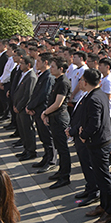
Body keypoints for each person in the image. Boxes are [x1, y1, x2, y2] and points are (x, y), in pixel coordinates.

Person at [77, 69, 111, 223]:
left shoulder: (94, 97)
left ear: (85, 82)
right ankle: (103, 205)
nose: (80, 82)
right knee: (100, 177)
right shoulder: (98, 93)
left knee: (104, 178)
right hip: (99, 141)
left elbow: (95, 123)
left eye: (81, 79)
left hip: (99, 143)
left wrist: (83, 135)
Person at [41, 57, 72, 187]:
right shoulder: (57, 80)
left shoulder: (63, 82)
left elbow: (58, 103)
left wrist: (45, 112)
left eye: (53, 66)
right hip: (54, 117)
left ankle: (65, 176)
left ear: (60, 69)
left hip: (60, 118)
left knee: (63, 148)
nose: (51, 68)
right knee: (59, 147)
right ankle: (61, 171)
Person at [27, 52, 55, 171]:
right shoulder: (42, 75)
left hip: (44, 111)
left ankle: (51, 160)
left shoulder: (48, 76)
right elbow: (35, 93)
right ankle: (46, 156)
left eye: (38, 61)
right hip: (38, 111)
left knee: (48, 137)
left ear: (46, 62)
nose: (36, 63)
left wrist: (31, 106)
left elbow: (44, 95)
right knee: (43, 136)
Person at [13, 55, 38, 161]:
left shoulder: (31, 76)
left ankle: (31, 151)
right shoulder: (24, 74)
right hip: (19, 107)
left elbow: (28, 95)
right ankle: (26, 149)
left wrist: (19, 107)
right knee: (22, 130)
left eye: (22, 63)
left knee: (28, 130)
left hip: (24, 109)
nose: (20, 65)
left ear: (28, 65)